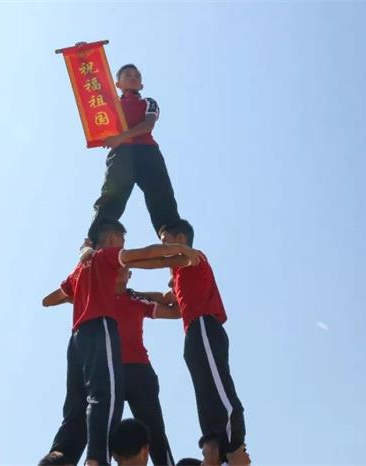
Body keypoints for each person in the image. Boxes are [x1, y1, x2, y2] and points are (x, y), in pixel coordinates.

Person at [41, 220, 202, 466]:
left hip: (136, 370)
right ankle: (88, 459)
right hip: (102, 365)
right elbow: (146, 256)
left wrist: (160, 290)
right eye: (125, 266)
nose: (127, 270)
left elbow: (175, 309)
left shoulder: (133, 298)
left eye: (128, 270)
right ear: (111, 241)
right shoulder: (97, 272)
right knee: (97, 412)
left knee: (152, 429)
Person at [144, 219, 251, 466]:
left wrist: (124, 260)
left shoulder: (192, 258)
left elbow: (156, 259)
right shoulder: (180, 273)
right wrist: (133, 294)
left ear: (181, 240)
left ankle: (235, 448)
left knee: (218, 389)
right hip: (193, 333)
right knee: (205, 395)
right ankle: (215, 451)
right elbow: (167, 299)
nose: (163, 248)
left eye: (165, 241)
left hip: (204, 325)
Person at [88, 63, 181, 242]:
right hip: (121, 154)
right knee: (111, 195)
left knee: (160, 194)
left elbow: (148, 125)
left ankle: (172, 236)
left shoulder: (148, 102)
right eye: (128, 75)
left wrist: (121, 137)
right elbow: (92, 93)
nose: (133, 78)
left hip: (147, 151)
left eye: (137, 76)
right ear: (118, 84)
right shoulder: (110, 106)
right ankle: (96, 239)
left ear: (141, 85)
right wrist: (83, 57)